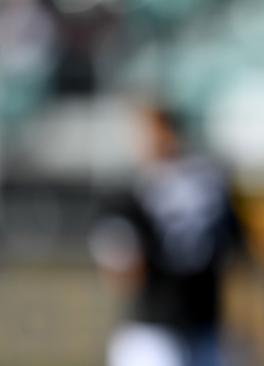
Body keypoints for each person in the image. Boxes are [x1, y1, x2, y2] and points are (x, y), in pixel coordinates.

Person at [89, 106, 242, 366]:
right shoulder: (131, 191)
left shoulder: (207, 184)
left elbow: (236, 246)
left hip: (200, 319)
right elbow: (122, 268)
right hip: (154, 323)